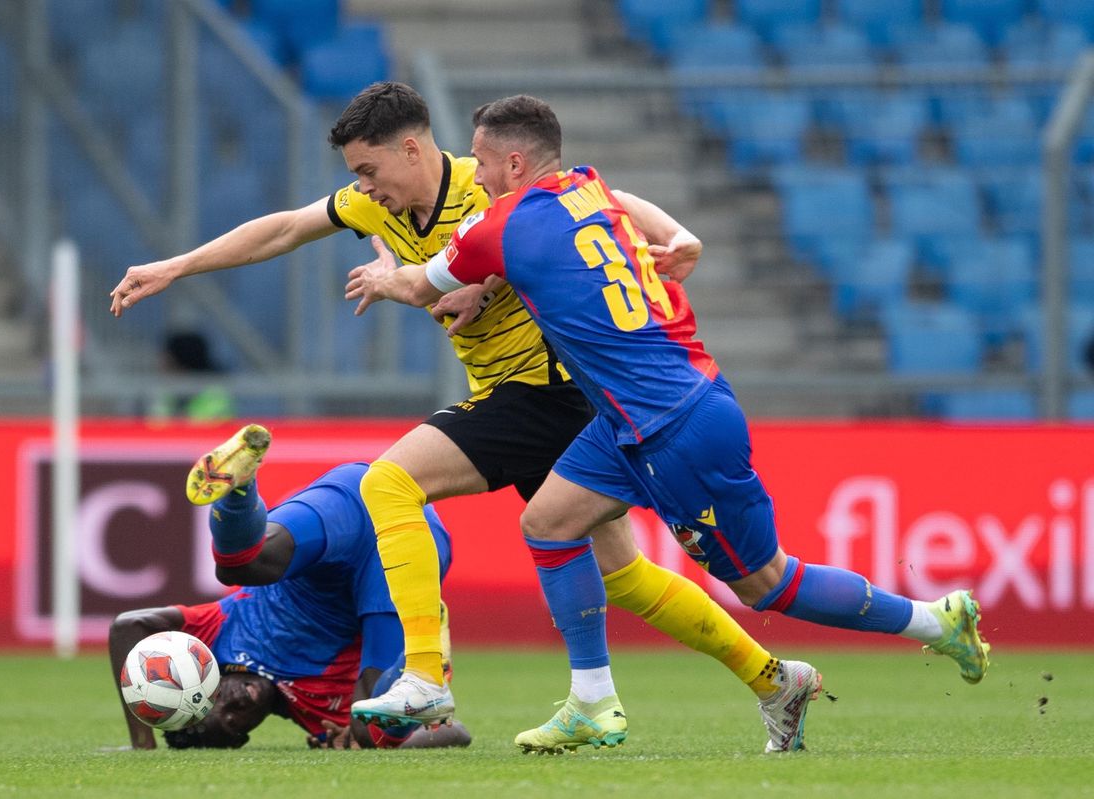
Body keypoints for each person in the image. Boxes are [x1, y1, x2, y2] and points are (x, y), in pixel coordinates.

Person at [110, 82, 821, 755]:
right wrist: (175, 266)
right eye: (355, 174)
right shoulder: (375, 210)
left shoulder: (481, 184)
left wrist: (666, 234)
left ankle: (424, 680)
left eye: (368, 168)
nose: (363, 186)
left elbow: (595, 200)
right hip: (545, 403)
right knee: (625, 575)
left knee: (388, 483)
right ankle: (773, 678)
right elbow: (285, 229)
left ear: (413, 150)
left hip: (543, 390)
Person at [346, 94, 992, 749]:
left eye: (482, 162)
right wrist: (681, 238)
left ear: (514, 162)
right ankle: (592, 701)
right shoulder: (590, 190)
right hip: (629, 416)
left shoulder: (500, 224)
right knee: (547, 523)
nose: (475, 176)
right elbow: (624, 212)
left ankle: (936, 621)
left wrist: (385, 274)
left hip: (673, 424)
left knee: (767, 582)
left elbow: (421, 287)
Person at [109, 425, 469, 750]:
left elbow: (129, 626)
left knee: (239, 564)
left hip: (355, 500)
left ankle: (240, 485)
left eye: (216, 704)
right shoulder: (314, 710)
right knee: (371, 730)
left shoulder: (217, 634)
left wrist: (142, 744)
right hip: (394, 562)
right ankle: (427, 646)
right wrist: (360, 737)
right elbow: (458, 733)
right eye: (235, 727)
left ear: (203, 684)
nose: (236, 708)